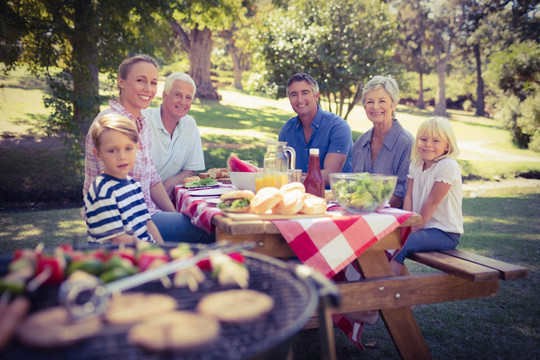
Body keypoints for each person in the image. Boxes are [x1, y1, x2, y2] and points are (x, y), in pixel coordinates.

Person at [83, 54, 213, 244]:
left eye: (153, 83)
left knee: (200, 223)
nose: (148, 89)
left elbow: (152, 178)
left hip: (145, 214)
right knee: (210, 230)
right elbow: (107, 200)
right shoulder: (113, 125)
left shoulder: (141, 122)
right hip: (123, 225)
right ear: (121, 81)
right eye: (140, 81)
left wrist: (174, 215)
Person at [391, 116, 463, 276]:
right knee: (386, 240)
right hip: (420, 227)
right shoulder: (416, 164)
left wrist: (412, 230)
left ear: (447, 145)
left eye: (436, 141)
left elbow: (432, 202)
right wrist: (405, 225)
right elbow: (408, 196)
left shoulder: (448, 166)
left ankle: (388, 293)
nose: (428, 144)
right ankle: (405, 297)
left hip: (444, 232)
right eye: (423, 139)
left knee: (402, 244)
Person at [84, 114, 164, 245]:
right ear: (98, 154)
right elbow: (118, 239)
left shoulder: (133, 185)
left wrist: (163, 250)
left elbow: (148, 223)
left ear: (136, 148)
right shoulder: (102, 192)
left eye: (128, 149)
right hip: (119, 259)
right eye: (112, 150)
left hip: (143, 254)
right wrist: (152, 251)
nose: (122, 156)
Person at [278, 73, 353, 187]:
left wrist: (294, 179)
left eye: (305, 93)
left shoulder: (338, 127)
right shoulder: (287, 130)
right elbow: (280, 170)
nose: (299, 99)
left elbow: (330, 175)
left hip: (335, 198)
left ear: (316, 96)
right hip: (300, 195)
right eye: (294, 94)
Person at [352, 75, 414, 209]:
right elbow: (353, 187)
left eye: (382, 101)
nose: (375, 107)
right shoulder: (360, 143)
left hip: (391, 222)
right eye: (369, 102)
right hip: (360, 215)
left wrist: (365, 205)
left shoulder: (406, 143)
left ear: (394, 104)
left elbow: (400, 196)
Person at [142, 72, 205, 198]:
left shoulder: (190, 124)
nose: (183, 102)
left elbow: (190, 170)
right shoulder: (143, 121)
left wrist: (170, 184)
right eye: (178, 95)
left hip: (168, 201)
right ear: (164, 95)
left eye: (188, 98)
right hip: (141, 202)